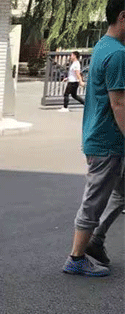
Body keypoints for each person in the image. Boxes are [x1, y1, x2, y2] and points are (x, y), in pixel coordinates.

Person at [63, 0, 125, 277]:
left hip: (107, 139)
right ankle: (76, 258)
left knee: (121, 194)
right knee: (95, 200)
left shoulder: (103, 46)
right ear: (123, 17)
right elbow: (119, 104)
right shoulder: (118, 54)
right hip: (107, 142)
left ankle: (95, 241)